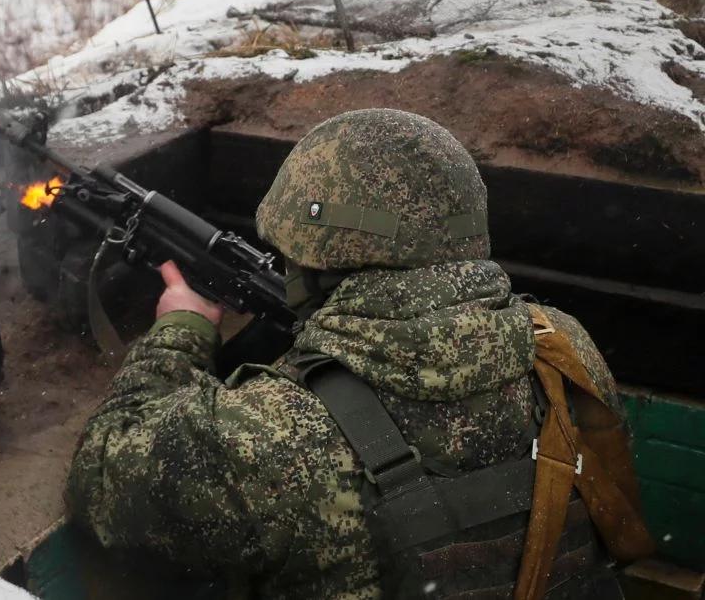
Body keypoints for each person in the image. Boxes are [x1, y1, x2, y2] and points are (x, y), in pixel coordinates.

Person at [65, 109, 651, 599]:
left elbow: (101, 480)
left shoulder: (275, 432)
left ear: (315, 247)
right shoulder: (564, 345)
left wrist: (181, 330)